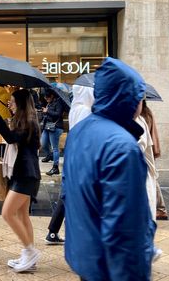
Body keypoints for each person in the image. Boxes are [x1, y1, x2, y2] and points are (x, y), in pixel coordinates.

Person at [63, 57, 155, 281]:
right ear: (130, 98)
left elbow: (68, 192)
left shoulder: (80, 131)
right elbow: (124, 227)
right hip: (110, 266)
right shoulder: (122, 147)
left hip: (84, 254)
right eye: (140, 96)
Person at [0, 89, 41, 272]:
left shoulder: (29, 122)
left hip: (27, 175)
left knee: (7, 213)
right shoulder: (25, 121)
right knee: (22, 215)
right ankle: (29, 257)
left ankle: (30, 251)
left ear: (20, 103)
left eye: (11, 101)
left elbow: (11, 138)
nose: (9, 104)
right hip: (25, 173)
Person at [45, 84, 94, 245]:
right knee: (73, 194)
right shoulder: (85, 110)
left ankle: (53, 231)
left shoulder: (76, 108)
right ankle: (72, 234)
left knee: (67, 193)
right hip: (81, 154)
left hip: (73, 152)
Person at [40, 89, 66, 176]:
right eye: (44, 97)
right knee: (43, 143)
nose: (45, 98)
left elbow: (58, 114)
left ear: (52, 96)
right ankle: (49, 155)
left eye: (47, 97)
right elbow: (49, 115)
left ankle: (55, 167)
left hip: (56, 127)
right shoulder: (49, 103)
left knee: (55, 148)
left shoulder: (58, 102)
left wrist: (47, 111)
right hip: (47, 127)